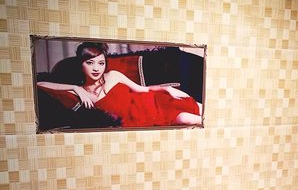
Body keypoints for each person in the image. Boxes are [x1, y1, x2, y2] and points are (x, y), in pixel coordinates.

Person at [37, 42, 203, 127]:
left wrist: (167, 89)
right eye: (90, 63)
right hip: (143, 119)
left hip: (155, 102)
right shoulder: (81, 93)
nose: (96, 68)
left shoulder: (113, 75)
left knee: (205, 111)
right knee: (187, 119)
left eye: (101, 63)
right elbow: (39, 83)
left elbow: (143, 89)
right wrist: (75, 88)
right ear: (81, 64)